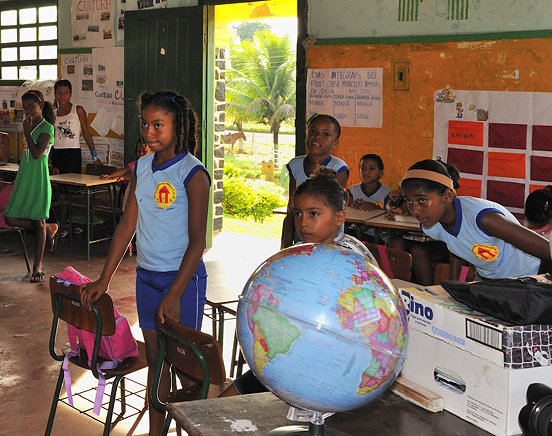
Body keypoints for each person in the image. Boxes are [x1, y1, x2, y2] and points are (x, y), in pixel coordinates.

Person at [80, 90, 210, 436]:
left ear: (178, 127)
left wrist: (174, 293)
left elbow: (197, 241)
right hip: (147, 278)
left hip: (180, 283)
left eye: (159, 125)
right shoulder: (142, 168)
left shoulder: (193, 173)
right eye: (147, 124)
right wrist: (104, 278)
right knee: (156, 367)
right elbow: (126, 226)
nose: (151, 132)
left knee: (189, 374)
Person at [223, 170, 377, 402]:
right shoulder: (300, 251)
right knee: (219, 406)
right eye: (298, 213)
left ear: (339, 217)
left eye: (313, 213)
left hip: (333, 368)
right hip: (290, 354)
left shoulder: (353, 261)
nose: (303, 222)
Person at [399, 159, 548, 280]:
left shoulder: (483, 218)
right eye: (409, 201)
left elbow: (548, 251)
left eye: (422, 200)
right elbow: (456, 244)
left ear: (447, 196)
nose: (415, 210)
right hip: (491, 280)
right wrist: (452, 284)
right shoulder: (431, 225)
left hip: (527, 277)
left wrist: (537, 284)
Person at [3, 89, 58, 283]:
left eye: (32, 107)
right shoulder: (30, 123)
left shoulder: (47, 127)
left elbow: (37, 153)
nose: (28, 111)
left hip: (38, 177)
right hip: (25, 174)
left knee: (38, 220)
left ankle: (38, 266)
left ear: (41, 106)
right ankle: (48, 228)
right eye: (25, 108)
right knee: (10, 217)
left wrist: (26, 131)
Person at [281, 114, 349, 248]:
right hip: (302, 235)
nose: (317, 137)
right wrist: (285, 248)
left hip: (328, 239)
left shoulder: (339, 168)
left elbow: (332, 207)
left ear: (335, 143)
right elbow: (291, 208)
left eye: (326, 134)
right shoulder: (295, 165)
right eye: (313, 131)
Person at [51, 79, 99, 237]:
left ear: (70, 94)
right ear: (55, 94)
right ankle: (61, 224)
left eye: (65, 92)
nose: (62, 96)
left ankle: (67, 224)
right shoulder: (52, 112)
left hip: (72, 153)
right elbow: (50, 137)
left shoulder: (77, 110)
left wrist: (95, 155)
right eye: (59, 92)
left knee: (71, 192)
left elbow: (86, 132)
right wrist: (49, 158)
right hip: (57, 153)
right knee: (58, 191)